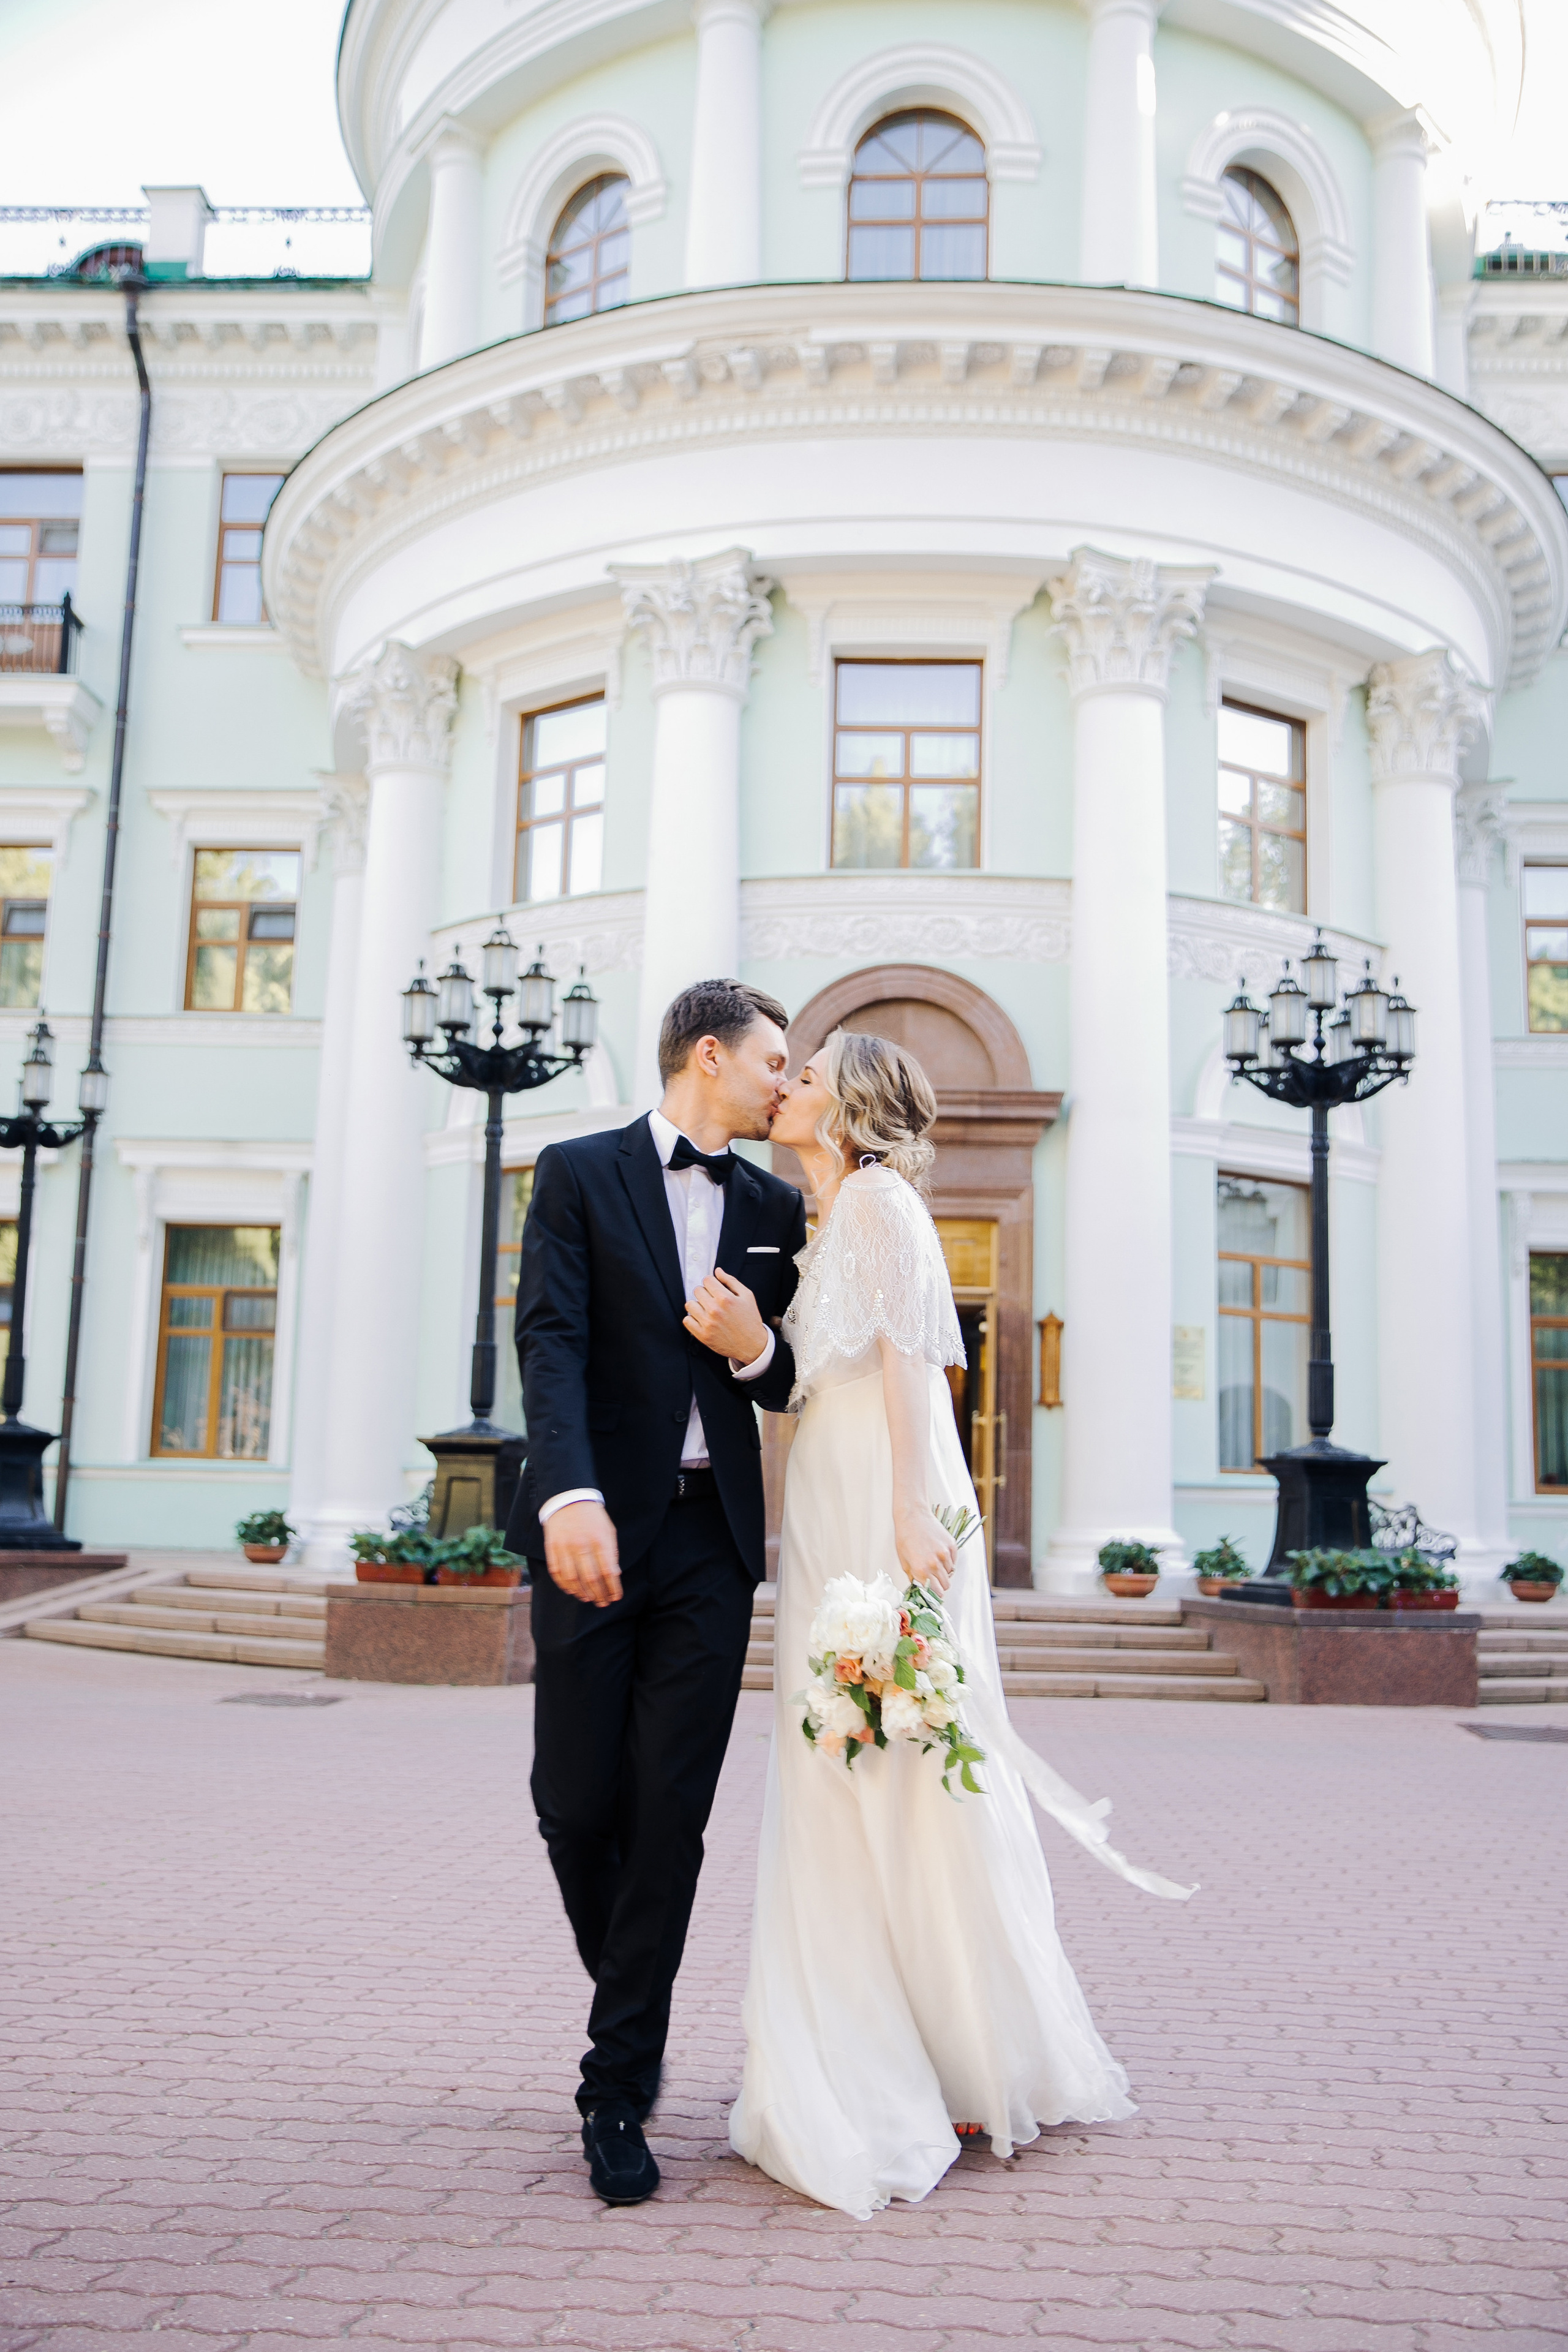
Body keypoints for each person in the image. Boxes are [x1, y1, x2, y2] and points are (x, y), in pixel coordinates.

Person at [728, 1028, 1193, 2221]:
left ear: (850, 1107)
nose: (785, 1086)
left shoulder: (880, 1204)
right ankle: (888, 2036)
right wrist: (752, 1356)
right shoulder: (826, 1218)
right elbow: (816, 1376)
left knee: (905, 1761)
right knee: (841, 1760)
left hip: (881, 1506)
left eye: (807, 1075)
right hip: (826, 1500)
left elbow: (908, 1367)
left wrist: (902, 1518)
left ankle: (957, 2055)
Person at [508, 979, 808, 2207]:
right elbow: (551, 1338)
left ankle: (616, 2084)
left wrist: (755, 1348)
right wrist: (563, 1494)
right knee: (576, 1805)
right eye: (773, 1062)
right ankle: (630, 1981)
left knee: (669, 1815)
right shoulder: (576, 1172)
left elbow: (797, 1378)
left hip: (707, 1545)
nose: (786, 1083)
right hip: (591, 1529)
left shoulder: (778, 1205)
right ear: (706, 1055)